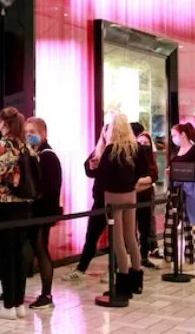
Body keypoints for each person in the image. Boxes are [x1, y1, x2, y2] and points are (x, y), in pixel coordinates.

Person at [0, 108, 34, 320]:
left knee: (5, 255)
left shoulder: (1, 146)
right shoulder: (25, 146)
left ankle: (8, 305)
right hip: (24, 206)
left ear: (4, 123)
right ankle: (19, 303)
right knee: (19, 254)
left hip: (3, 206)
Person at [95, 114, 149, 297]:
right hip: (130, 194)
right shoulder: (136, 148)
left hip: (113, 196)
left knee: (117, 240)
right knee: (131, 237)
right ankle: (137, 280)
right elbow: (143, 171)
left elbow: (100, 176)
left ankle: (123, 282)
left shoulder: (110, 150)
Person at [62, 115, 113, 282]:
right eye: (105, 131)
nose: (107, 134)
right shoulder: (99, 150)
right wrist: (92, 166)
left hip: (116, 199)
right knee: (91, 235)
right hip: (99, 200)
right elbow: (90, 171)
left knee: (117, 238)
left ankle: (114, 271)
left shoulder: (118, 151)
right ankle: (81, 268)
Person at [24, 117, 62, 310]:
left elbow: (50, 186)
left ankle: (46, 294)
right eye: (26, 132)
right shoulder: (34, 154)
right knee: (34, 247)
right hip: (35, 211)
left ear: (43, 133)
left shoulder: (48, 156)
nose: (29, 135)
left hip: (43, 211)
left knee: (40, 248)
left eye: (33, 132)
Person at [162, 123, 195, 270]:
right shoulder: (176, 151)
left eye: (174, 135)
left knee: (189, 227)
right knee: (169, 227)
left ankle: (190, 260)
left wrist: (185, 174)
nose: (173, 138)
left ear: (183, 134)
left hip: (189, 194)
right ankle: (168, 258)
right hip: (174, 192)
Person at [135, 131, 160, 268]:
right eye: (140, 142)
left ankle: (144, 256)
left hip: (146, 198)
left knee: (145, 228)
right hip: (132, 199)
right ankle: (134, 256)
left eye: (146, 143)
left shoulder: (152, 159)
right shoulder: (132, 158)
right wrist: (146, 182)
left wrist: (139, 182)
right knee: (131, 229)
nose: (143, 145)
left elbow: (154, 176)